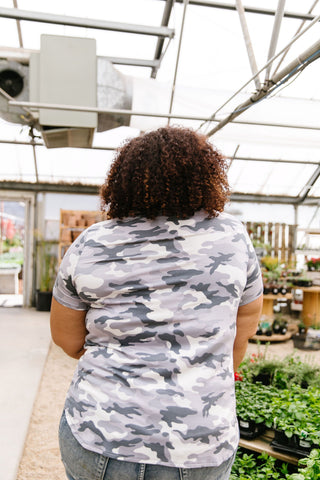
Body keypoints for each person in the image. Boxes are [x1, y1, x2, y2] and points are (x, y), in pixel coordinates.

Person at [50, 126, 263, 480]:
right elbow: (241, 337)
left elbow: (68, 341)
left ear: (124, 180)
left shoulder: (91, 243)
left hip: (100, 434)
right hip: (200, 443)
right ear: (207, 176)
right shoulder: (233, 238)